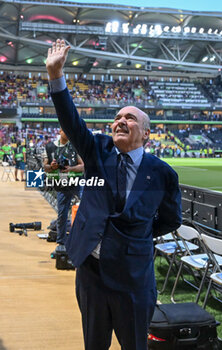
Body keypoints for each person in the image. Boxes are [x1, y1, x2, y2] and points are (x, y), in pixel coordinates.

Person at [46, 39, 182, 350]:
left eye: (130, 118)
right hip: (91, 273)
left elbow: (171, 219)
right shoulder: (97, 150)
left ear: (146, 133)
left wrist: (136, 233)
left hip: (133, 278)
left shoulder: (162, 174)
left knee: (134, 345)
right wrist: (56, 76)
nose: (120, 121)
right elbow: (71, 122)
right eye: (118, 117)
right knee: (94, 344)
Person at [43, 128, 84, 255]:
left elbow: (83, 165)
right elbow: (45, 167)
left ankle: (80, 239)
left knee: (82, 211)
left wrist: (71, 168)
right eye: (66, 131)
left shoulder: (75, 146)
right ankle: (61, 241)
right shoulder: (49, 147)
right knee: (62, 214)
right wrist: (52, 166)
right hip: (61, 185)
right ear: (60, 131)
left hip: (76, 183)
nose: (68, 133)